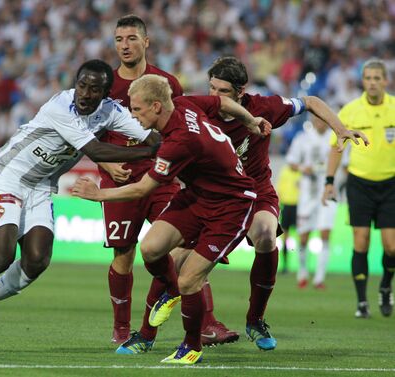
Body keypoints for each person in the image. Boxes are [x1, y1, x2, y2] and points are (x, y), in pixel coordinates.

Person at [0, 59, 162, 353]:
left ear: (106, 94)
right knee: (0, 256)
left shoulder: (111, 112)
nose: (85, 94)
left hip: (40, 186)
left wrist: (164, 142)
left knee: (37, 260)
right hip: (7, 176)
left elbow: (147, 133)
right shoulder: (61, 106)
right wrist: (150, 150)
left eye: (94, 89)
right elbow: (95, 149)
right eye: (82, 85)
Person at [153, 56, 368, 351]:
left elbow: (311, 101)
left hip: (255, 192)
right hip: (209, 196)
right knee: (172, 256)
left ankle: (255, 319)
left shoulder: (263, 107)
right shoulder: (198, 107)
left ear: (242, 92)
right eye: (211, 87)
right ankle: (169, 312)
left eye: (223, 91)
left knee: (266, 236)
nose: (214, 96)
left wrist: (340, 128)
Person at [73, 74, 272, 364]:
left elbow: (143, 189)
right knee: (151, 248)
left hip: (231, 205)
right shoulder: (184, 103)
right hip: (197, 196)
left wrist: (98, 195)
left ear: (156, 107)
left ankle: (192, 347)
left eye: (137, 109)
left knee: (190, 279)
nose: (132, 115)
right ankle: (170, 288)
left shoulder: (179, 142)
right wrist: (250, 120)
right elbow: (222, 102)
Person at [96, 15, 185, 345]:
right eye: (119, 39)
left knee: (181, 246)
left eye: (132, 38)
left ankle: (203, 322)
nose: (125, 45)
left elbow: (180, 129)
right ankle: (121, 326)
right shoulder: (104, 86)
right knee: (123, 253)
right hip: (119, 182)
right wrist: (107, 166)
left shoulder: (166, 83)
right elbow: (86, 135)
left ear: (146, 42)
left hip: (160, 177)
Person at [322, 58, 395, 319]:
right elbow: (337, 147)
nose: (373, 82)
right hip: (359, 184)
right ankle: (362, 302)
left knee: (392, 247)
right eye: (369, 78)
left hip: (391, 184)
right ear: (362, 81)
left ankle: (386, 285)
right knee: (360, 241)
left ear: (386, 81)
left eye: (378, 78)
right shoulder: (351, 111)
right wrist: (329, 182)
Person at [286, 116, 337, 289]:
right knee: (303, 237)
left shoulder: (335, 138)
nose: (320, 122)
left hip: (327, 193)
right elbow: (291, 162)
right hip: (307, 194)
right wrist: (302, 168)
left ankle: (319, 278)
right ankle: (302, 273)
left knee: (325, 234)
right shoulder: (303, 138)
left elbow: (343, 164)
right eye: (317, 118)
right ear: (313, 120)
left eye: (323, 118)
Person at [276, 163, 300, 274]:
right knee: (285, 236)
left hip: (299, 206)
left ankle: (301, 267)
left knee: (302, 236)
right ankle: (285, 266)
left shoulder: (301, 171)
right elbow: (279, 189)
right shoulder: (285, 171)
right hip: (286, 206)